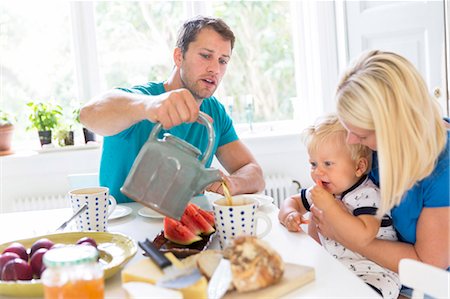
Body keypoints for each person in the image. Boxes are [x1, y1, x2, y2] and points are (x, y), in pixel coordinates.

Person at [80, 16, 265, 203]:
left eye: (223, 61)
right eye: (206, 56)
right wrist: (149, 106)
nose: (215, 69)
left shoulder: (215, 113)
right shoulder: (143, 99)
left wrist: (233, 183)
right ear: (178, 56)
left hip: (183, 226)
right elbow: (87, 114)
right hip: (126, 226)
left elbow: (255, 173)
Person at [311, 50, 449, 297]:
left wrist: (344, 236)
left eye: (362, 136)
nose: (352, 140)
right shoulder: (381, 147)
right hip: (383, 272)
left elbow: (427, 266)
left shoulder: (443, 169)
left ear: (396, 127)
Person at [279, 114, 400, 298]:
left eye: (328, 164)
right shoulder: (323, 191)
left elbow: (363, 235)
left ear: (359, 167)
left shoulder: (368, 194)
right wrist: (290, 214)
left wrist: (330, 206)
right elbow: (291, 202)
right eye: (313, 164)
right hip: (339, 269)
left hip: (376, 274)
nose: (318, 171)